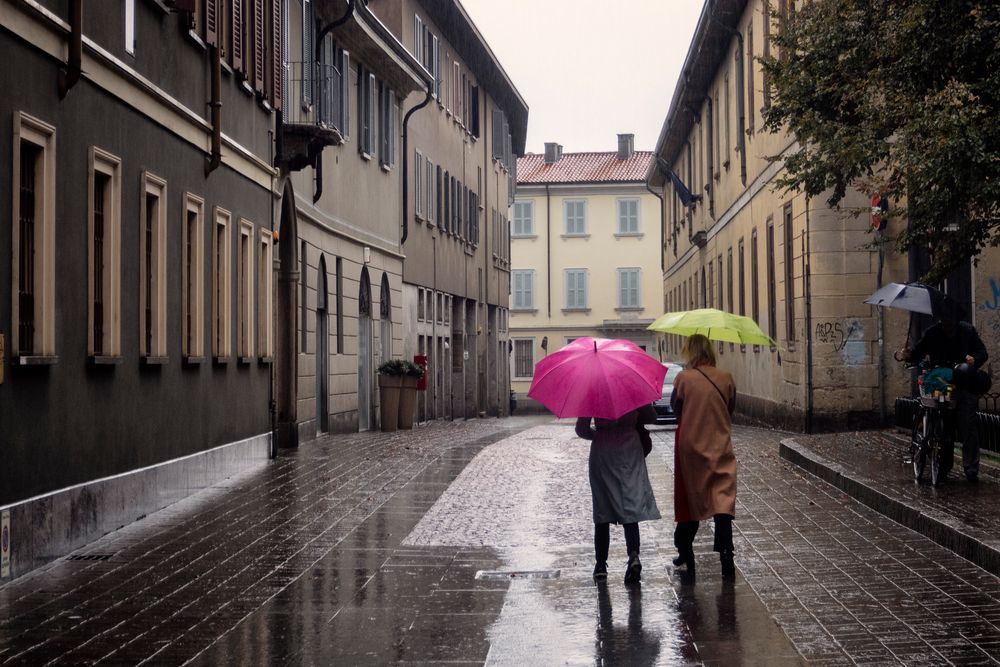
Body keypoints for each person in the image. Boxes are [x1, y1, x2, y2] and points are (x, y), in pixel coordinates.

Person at [670, 334, 737, 579]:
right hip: (719, 443)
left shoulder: (683, 379)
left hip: (691, 446)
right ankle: (727, 554)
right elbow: (730, 409)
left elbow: (675, 409)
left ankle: (685, 550)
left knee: (691, 499)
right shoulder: (726, 378)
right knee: (723, 501)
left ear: (691, 352)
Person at [575, 404, 660, 585]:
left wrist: (598, 434)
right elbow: (651, 417)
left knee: (602, 507)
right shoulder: (632, 389)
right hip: (629, 448)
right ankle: (634, 555)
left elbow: (581, 429)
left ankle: (600, 565)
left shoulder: (594, 393)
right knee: (630, 502)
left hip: (603, 451)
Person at [902, 314, 989, 481]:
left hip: (963, 385)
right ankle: (943, 464)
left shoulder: (968, 331)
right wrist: (908, 354)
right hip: (942, 386)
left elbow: (982, 353)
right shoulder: (932, 333)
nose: (947, 325)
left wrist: (974, 359)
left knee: (968, 425)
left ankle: (971, 468)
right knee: (943, 425)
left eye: (951, 322)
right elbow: (918, 353)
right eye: (944, 321)